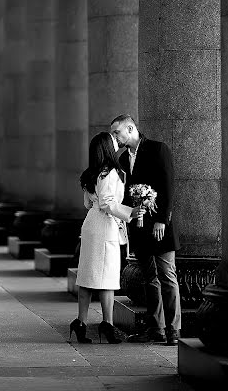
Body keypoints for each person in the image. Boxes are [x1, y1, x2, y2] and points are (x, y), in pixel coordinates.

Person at [110, 114, 181, 345]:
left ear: (130, 129)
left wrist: (162, 220)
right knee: (150, 278)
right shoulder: (121, 160)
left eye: (117, 132)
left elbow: (168, 186)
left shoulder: (158, 149)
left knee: (167, 276)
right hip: (138, 228)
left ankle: (174, 330)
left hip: (159, 226)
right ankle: (155, 328)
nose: (115, 137)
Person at [70, 131, 145, 344]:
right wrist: (130, 212)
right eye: (113, 143)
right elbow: (107, 204)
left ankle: (81, 323)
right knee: (107, 279)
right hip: (104, 227)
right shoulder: (109, 172)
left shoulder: (90, 173)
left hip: (91, 223)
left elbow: (88, 203)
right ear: (107, 149)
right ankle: (108, 325)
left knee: (86, 277)